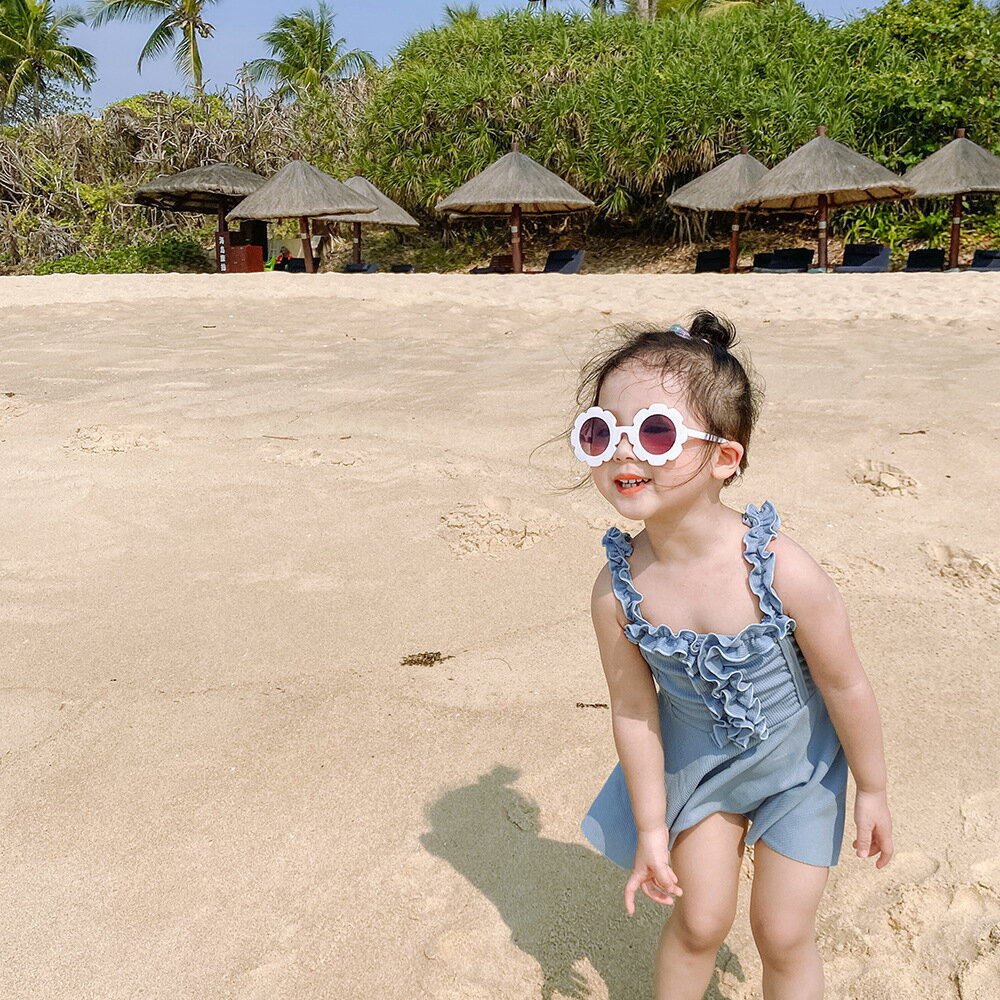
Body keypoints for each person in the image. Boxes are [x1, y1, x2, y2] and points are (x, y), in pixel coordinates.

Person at [574, 312, 893, 1000]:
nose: (625, 453)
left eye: (656, 432)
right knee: (699, 921)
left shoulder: (780, 569)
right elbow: (634, 711)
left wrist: (871, 787)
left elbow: (845, 684)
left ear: (725, 456)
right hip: (699, 772)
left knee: (782, 932)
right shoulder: (617, 590)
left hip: (800, 771)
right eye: (602, 432)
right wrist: (651, 828)